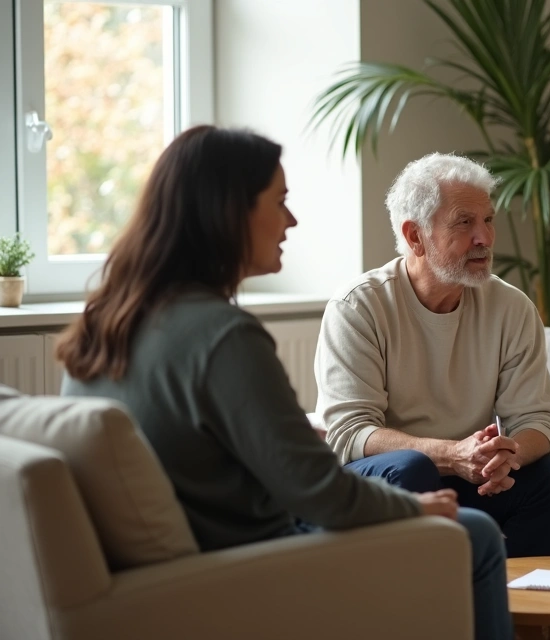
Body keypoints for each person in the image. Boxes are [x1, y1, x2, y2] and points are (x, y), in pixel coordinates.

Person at [56, 127, 512, 640]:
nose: (291, 221)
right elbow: (322, 496)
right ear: (228, 214)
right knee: (470, 531)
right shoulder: (222, 334)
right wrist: (414, 505)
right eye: (280, 202)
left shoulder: (107, 322)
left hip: (182, 563)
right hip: (251, 566)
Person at [314, 152, 550, 558]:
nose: (485, 238)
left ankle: (509, 608)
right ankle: (436, 609)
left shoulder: (511, 308)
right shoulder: (358, 307)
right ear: (415, 236)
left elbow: (539, 420)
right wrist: (451, 455)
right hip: (390, 479)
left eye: (488, 220)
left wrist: (506, 456)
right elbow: (350, 432)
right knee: (412, 467)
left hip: (473, 475)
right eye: (465, 223)